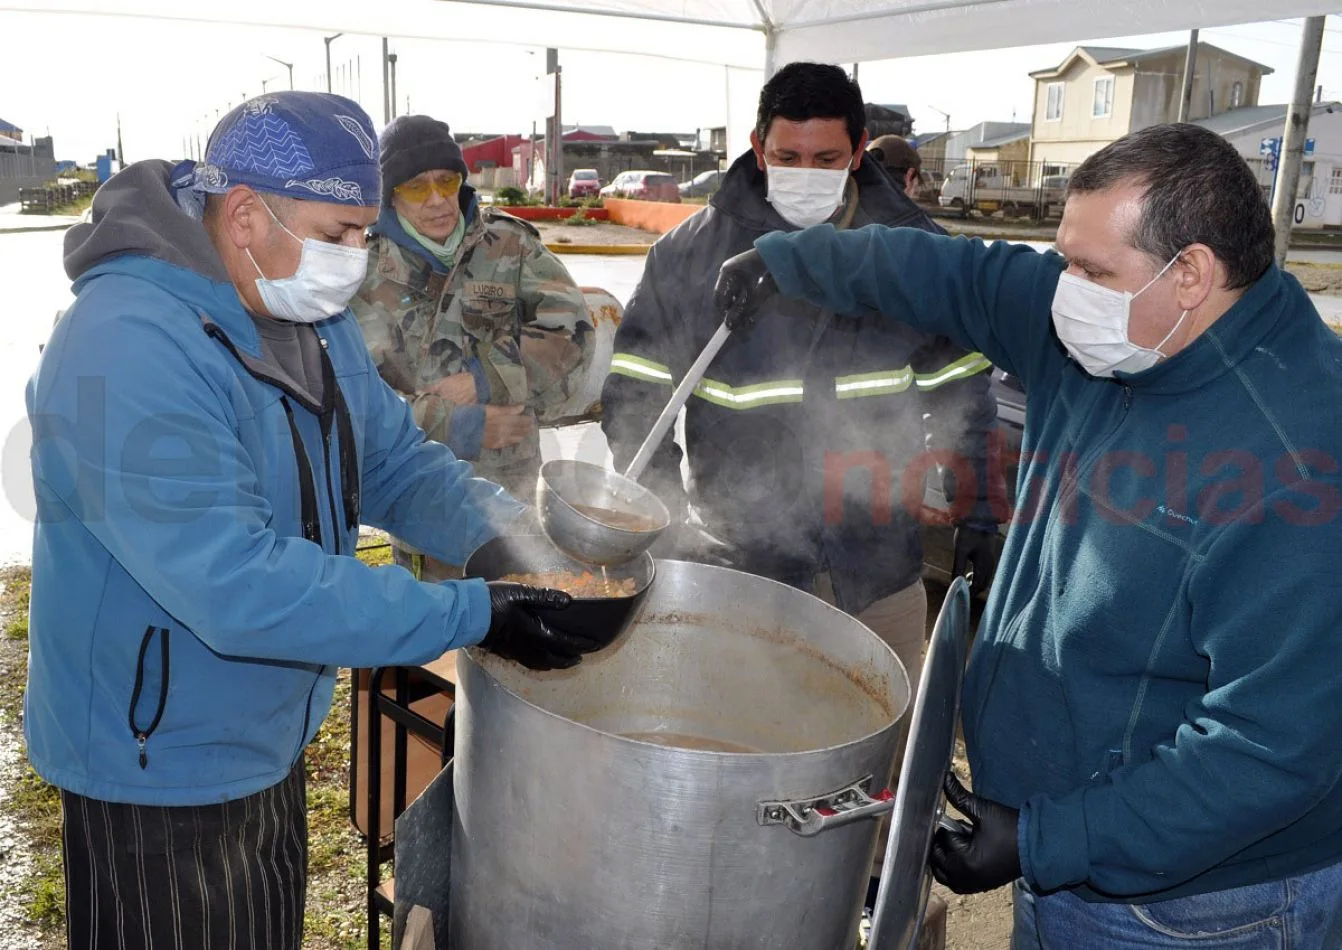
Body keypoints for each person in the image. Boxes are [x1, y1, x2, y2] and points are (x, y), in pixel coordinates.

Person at [714, 122, 1342, 947]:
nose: (1064, 289)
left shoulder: (1302, 460)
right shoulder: (1117, 329)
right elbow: (956, 272)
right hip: (1072, 835)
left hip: (1201, 903)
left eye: (1090, 271)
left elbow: (1272, 751)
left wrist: (1052, 839)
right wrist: (794, 260)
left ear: (1191, 273)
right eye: (1065, 259)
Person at [24, 92, 600, 950]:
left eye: (365, 233)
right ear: (248, 215)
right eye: (338, 235)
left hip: (263, 731)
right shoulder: (129, 339)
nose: (356, 260)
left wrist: (509, 545)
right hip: (153, 766)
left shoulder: (309, 320)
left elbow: (396, 463)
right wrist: (475, 612)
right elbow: (236, 583)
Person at [601, 62, 1003, 712]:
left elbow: (961, 385)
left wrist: (980, 505)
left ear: (860, 149)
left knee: (874, 768)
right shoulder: (688, 256)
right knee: (745, 750)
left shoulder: (914, 252)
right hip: (743, 568)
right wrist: (668, 519)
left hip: (879, 571)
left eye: (827, 158)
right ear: (758, 147)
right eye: (788, 156)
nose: (807, 173)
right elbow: (635, 396)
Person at [352, 114, 593, 581]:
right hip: (423, 505)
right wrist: (458, 426)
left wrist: (483, 379)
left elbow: (573, 336)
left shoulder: (510, 245)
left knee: (520, 626)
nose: (439, 199)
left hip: (516, 499)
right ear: (390, 194)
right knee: (437, 625)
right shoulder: (362, 271)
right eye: (417, 187)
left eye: (447, 180)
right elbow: (355, 402)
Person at [868, 133, 925, 201]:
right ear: (909, 176)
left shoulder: (855, 205)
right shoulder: (907, 210)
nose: (916, 190)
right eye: (916, 185)